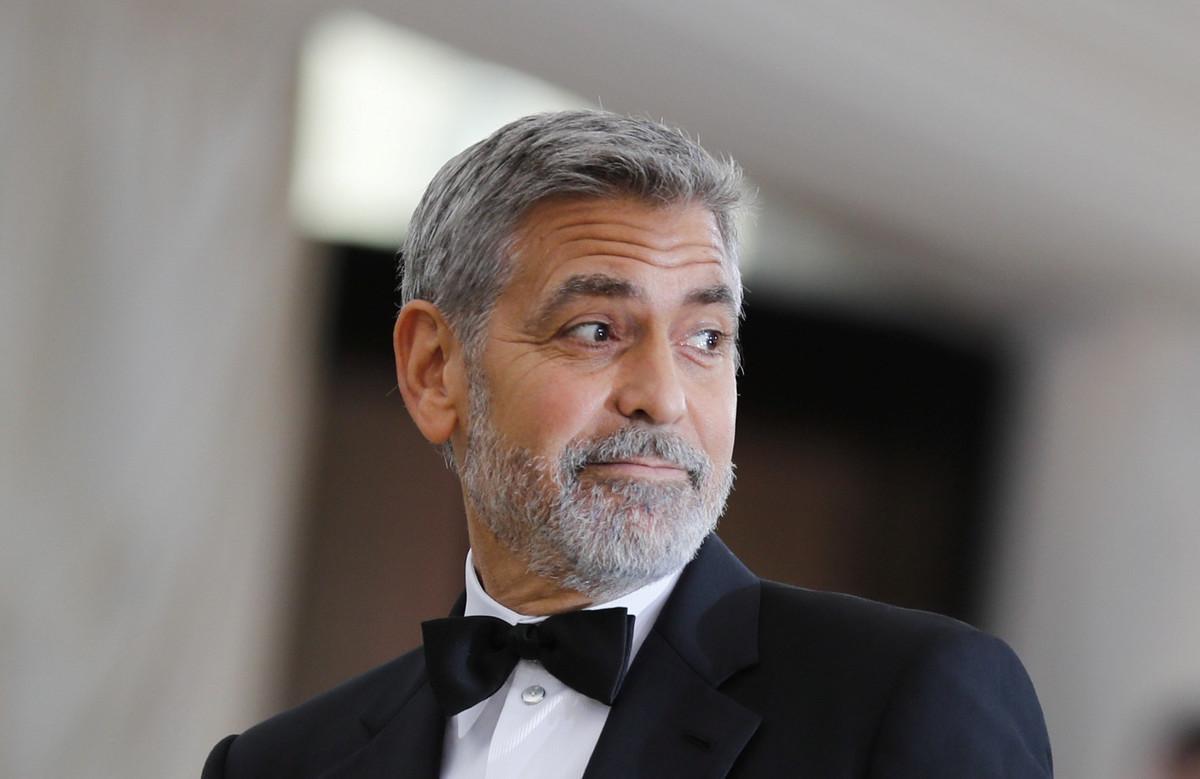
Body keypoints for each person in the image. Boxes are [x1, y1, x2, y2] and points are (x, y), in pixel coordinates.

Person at [202, 110, 1053, 778]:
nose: (664, 397)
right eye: (597, 329)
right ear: (435, 370)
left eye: (706, 339)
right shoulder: (279, 767)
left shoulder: (907, 697)